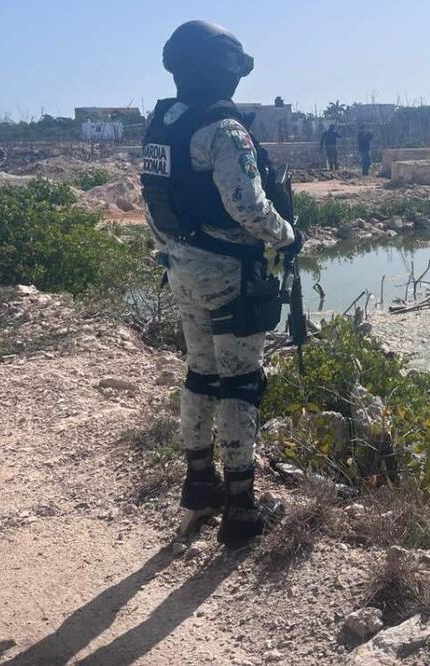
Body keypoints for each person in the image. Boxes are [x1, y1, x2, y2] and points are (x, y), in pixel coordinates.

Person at [140, 20, 302, 548]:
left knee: (200, 374)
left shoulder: (162, 124)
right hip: (229, 273)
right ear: (223, 71)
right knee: (240, 382)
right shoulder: (224, 129)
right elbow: (247, 206)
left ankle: (198, 486)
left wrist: (177, 250)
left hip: (182, 267)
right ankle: (241, 508)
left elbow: (153, 202)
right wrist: (288, 235)